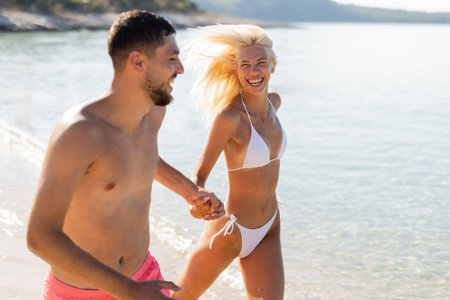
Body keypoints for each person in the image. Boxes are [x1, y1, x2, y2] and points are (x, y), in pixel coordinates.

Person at [26, 10, 224, 300]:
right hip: (83, 293)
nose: (180, 68)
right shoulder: (80, 132)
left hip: (144, 278)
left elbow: (144, 157)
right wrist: (128, 290)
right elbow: (40, 237)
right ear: (138, 61)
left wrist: (191, 193)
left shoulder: (153, 111)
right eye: (171, 58)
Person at [172, 24, 286, 299]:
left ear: (272, 65)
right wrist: (196, 201)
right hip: (232, 229)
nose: (254, 71)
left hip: (269, 225)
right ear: (236, 71)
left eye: (260, 63)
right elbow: (199, 175)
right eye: (245, 65)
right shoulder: (230, 118)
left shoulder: (275, 103)